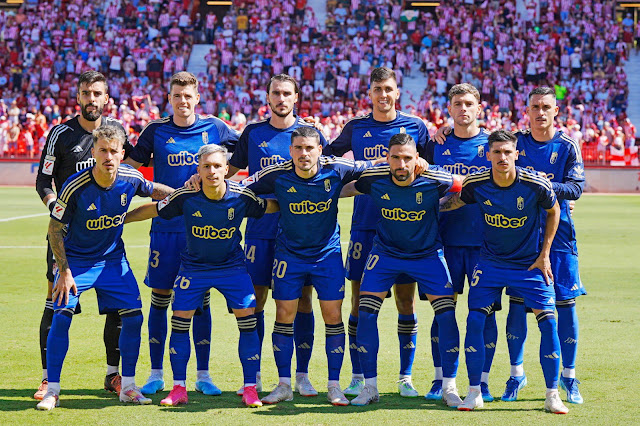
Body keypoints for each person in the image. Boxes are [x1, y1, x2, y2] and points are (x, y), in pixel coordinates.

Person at [188, 74, 328, 396]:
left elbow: (330, 171)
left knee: (302, 301)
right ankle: (256, 376)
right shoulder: (252, 133)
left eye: (287, 93)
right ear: (268, 98)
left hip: (299, 235)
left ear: (296, 97)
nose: (281, 98)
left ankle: (302, 375)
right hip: (260, 233)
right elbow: (229, 171)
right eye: (276, 93)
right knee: (256, 301)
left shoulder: (310, 133)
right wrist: (200, 179)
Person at [124, 144, 279, 408]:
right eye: (206, 166)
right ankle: (179, 388)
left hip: (232, 268)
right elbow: (152, 209)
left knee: (248, 321)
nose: (212, 171)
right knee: (180, 320)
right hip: (193, 268)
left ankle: (250, 388)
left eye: (217, 166)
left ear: (227, 169)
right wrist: (120, 220)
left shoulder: (242, 196)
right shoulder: (186, 197)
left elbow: (271, 206)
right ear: (198, 169)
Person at [36, 126, 174, 411]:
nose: (108, 156)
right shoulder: (75, 186)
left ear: (122, 154)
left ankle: (128, 387)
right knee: (61, 316)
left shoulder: (130, 177)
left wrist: (185, 193)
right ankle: (53, 390)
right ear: (94, 152)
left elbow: (154, 191)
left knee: (134, 317)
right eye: (103, 150)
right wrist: (63, 272)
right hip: (76, 261)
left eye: (114, 151)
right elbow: (54, 229)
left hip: (113, 259)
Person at [123, 71, 240, 396]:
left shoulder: (215, 127)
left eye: (188, 96)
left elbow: (243, 149)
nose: (183, 101)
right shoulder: (157, 130)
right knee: (160, 300)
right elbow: (129, 170)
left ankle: (203, 375)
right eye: (177, 96)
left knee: (200, 302)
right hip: (166, 230)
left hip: (204, 231)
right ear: (170, 98)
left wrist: (219, 181)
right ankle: (157, 373)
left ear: (197, 98)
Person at [247, 126, 378, 406]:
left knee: (332, 315)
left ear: (320, 149)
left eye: (310, 148)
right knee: (284, 313)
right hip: (289, 255)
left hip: (327, 255)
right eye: (298, 148)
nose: (304, 153)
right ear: (290, 151)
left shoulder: (338, 168)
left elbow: (375, 166)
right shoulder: (276, 174)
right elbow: (239, 187)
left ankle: (334, 385)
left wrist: (417, 161)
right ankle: (283, 384)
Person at [440, 129, 568, 414]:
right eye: (496, 152)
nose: (502, 157)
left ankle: (552, 394)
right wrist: (424, 206)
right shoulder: (477, 183)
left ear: (516, 154)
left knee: (548, 322)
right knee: (475, 320)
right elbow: (454, 202)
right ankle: (474, 392)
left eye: (507, 152)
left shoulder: (536, 184)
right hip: (491, 264)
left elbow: (554, 210)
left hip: (529, 264)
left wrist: (545, 255)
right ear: (488, 155)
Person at [323, 67, 430, 397]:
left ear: (398, 92)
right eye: (377, 89)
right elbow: (327, 158)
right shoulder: (356, 128)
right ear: (368, 94)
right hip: (365, 226)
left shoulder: (416, 127)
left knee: (405, 301)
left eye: (388, 89)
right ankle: (358, 375)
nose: (383, 94)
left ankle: (405, 377)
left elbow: (431, 169)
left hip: (406, 226)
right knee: (358, 302)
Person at [339, 133, 462, 407]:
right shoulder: (374, 177)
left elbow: (464, 186)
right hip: (385, 255)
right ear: (388, 157)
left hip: (428, 255)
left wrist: (445, 205)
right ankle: (369, 387)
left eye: (408, 157)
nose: (402, 164)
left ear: (417, 158)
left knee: (446, 314)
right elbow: (344, 188)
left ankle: (449, 387)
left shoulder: (434, 178)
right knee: (366, 312)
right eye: (395, 157)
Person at [34, 70, 131, 400]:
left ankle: (113, 375)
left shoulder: (115, 134)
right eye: (86, 93)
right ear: (78, 97)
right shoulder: (60, 134)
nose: (91, 99)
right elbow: (44, 182)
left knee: (118, 308)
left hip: (104, 238)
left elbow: (128, 175)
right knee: (56, 303)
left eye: (97, 93)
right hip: (65, 239)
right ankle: (48, 379)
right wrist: (55, 209)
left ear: (107, 98)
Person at [503, 87, 586, 404]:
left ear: (556, 110)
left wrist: (541, 184)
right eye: (534, 106)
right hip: (520, 237)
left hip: (560, 236)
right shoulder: (515, 143)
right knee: (517, 306)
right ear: (527, 110)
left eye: (546, 107)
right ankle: (516, 374)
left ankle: (569, 378)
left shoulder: (566, 146)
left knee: (565, 304)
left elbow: (576, 188)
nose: (540, 112)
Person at [423, 83, 496, 402]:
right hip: (444, 243)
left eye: (469, 103)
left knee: (485, 314)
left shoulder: (495, 145)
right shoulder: (435, 145)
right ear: (448, 109)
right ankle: (441, 379)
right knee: (443, 312)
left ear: (479, 108)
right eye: (457, 103)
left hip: (485, 245)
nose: (463, 108)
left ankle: (482, 380)